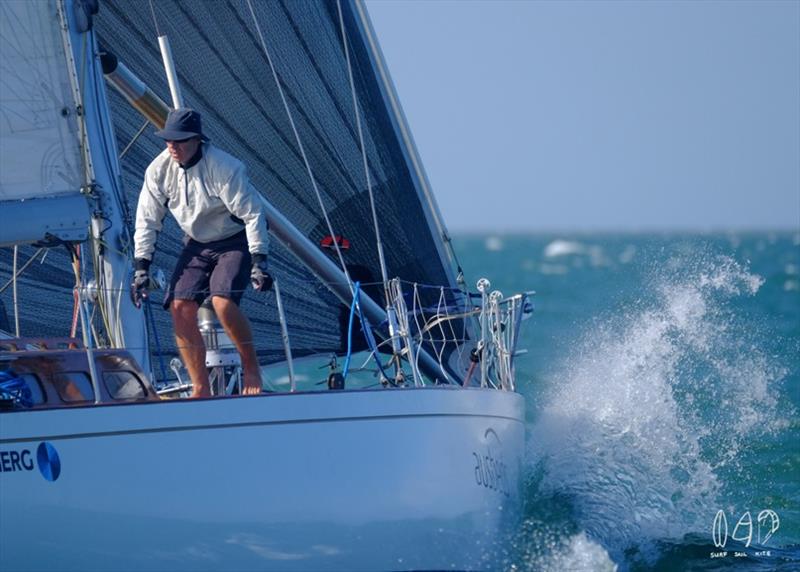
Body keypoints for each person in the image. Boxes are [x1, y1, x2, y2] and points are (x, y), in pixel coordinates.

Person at [131, 108, 272, 398]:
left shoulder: (225, 168)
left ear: (197, 140)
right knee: (180, 307)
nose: (173, 146)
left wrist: (259, 261)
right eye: (168, 140)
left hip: (234, 239)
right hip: (196, 243)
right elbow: (147, 219)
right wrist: (141, 266)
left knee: (222, 301)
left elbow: (253, 214)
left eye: (180, 141)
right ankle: (201, 388)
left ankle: (252, 367)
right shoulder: (158, 171)